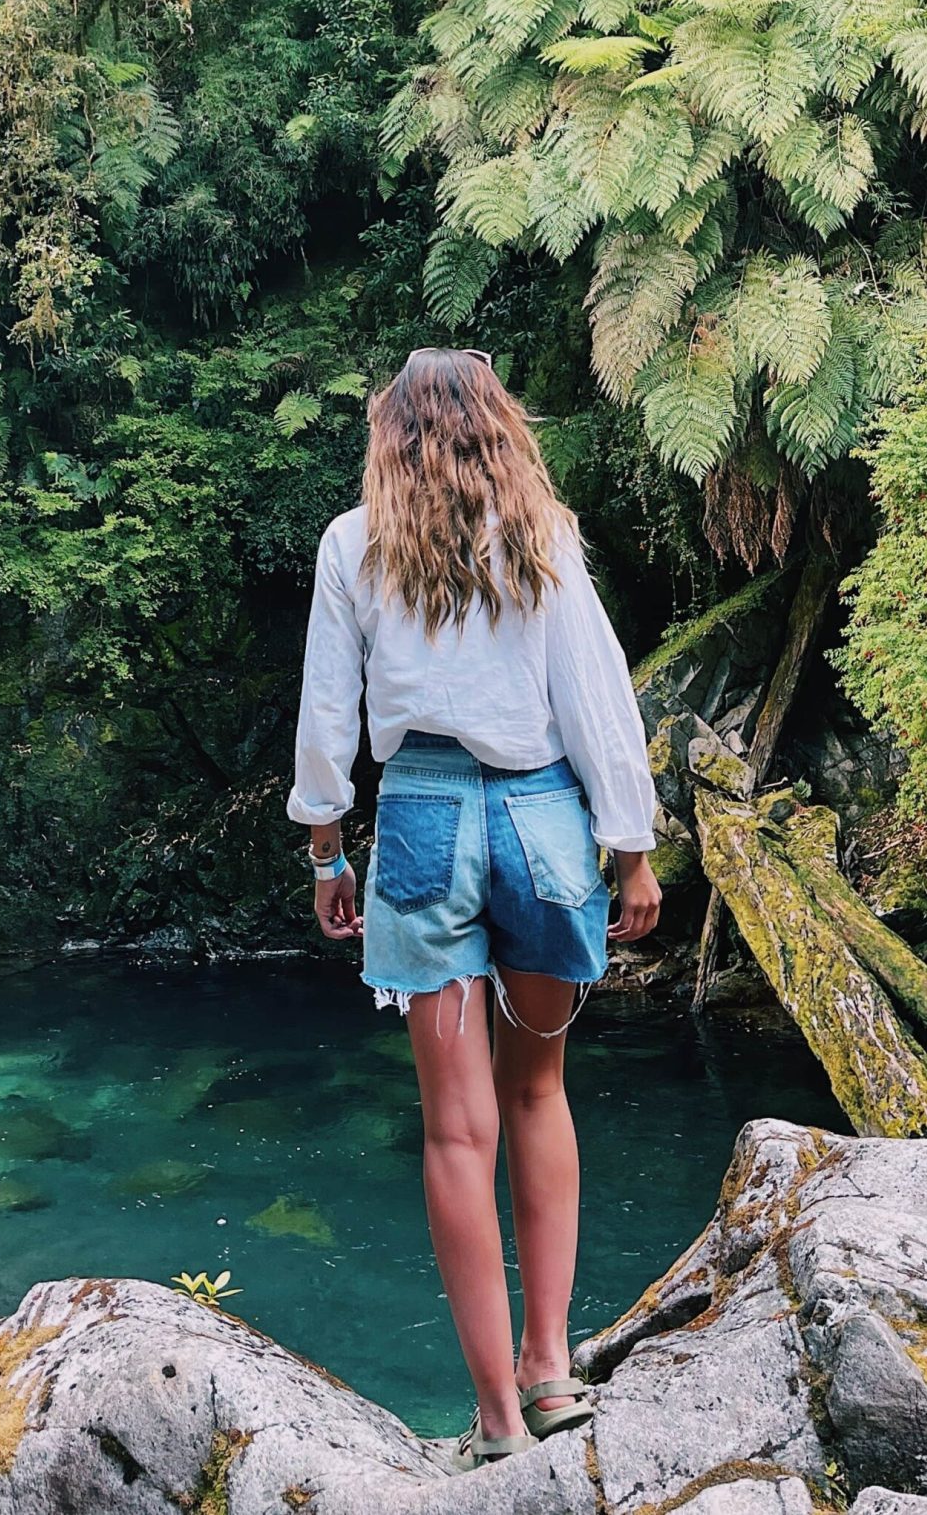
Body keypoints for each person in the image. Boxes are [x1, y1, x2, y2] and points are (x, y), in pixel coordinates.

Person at [288, 346, 663, 1471]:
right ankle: (552, 1370)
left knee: (457, 1130)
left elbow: (327, 711)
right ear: (498, 425)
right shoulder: (544, 534)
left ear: (389, 434)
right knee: (539, 1090)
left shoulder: (354, 543)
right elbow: (593, 694)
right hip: (545, 823)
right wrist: (630, 848)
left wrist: (324, 850)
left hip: (419, 823)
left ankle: (497, 1419)